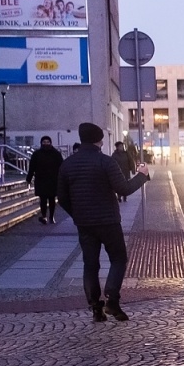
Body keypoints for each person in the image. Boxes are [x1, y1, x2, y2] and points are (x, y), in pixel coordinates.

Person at [57, 122, 149, 322]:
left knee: (90, 264)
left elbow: (62, 197)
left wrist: (77, 214)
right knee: (118, 258)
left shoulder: (68, 164)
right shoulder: (105, 162)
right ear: (99, 140)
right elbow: (123, 188)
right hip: (108, 221)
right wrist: (142, 176)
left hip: (85, 224)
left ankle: (95, 307)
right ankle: (112, 298)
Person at [26, 135, 64, 224]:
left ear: (50, 143)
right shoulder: (36, 154)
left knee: (52, 199)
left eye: (47, 142)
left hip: (53, 180)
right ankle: (44, 216)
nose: (46, 144)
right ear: (41, 143)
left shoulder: (56, 154)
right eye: (44, 142)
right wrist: (29, 178)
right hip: (41, 180)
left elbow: (62, 167)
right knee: (42, 199)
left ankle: (51, 216)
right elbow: (32, 167)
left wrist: (62, 179)